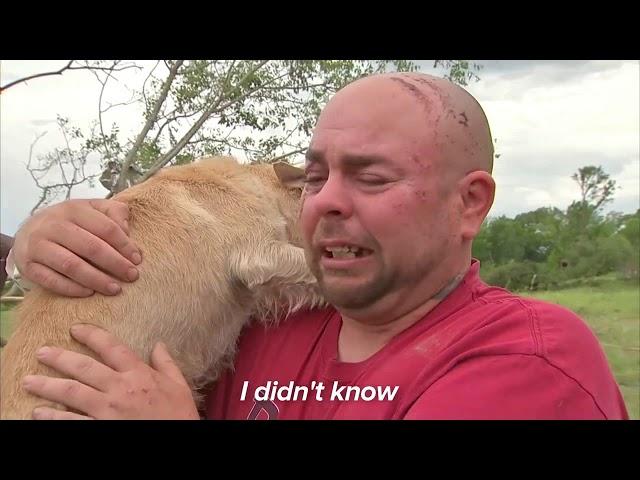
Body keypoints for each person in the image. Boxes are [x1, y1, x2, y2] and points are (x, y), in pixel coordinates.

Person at [5, 72, 629, 420]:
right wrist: (38, 242)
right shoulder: (258, 324)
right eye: (313, 175)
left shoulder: (523, 361)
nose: (323, 200)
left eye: (372, 177)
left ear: (469, 204)